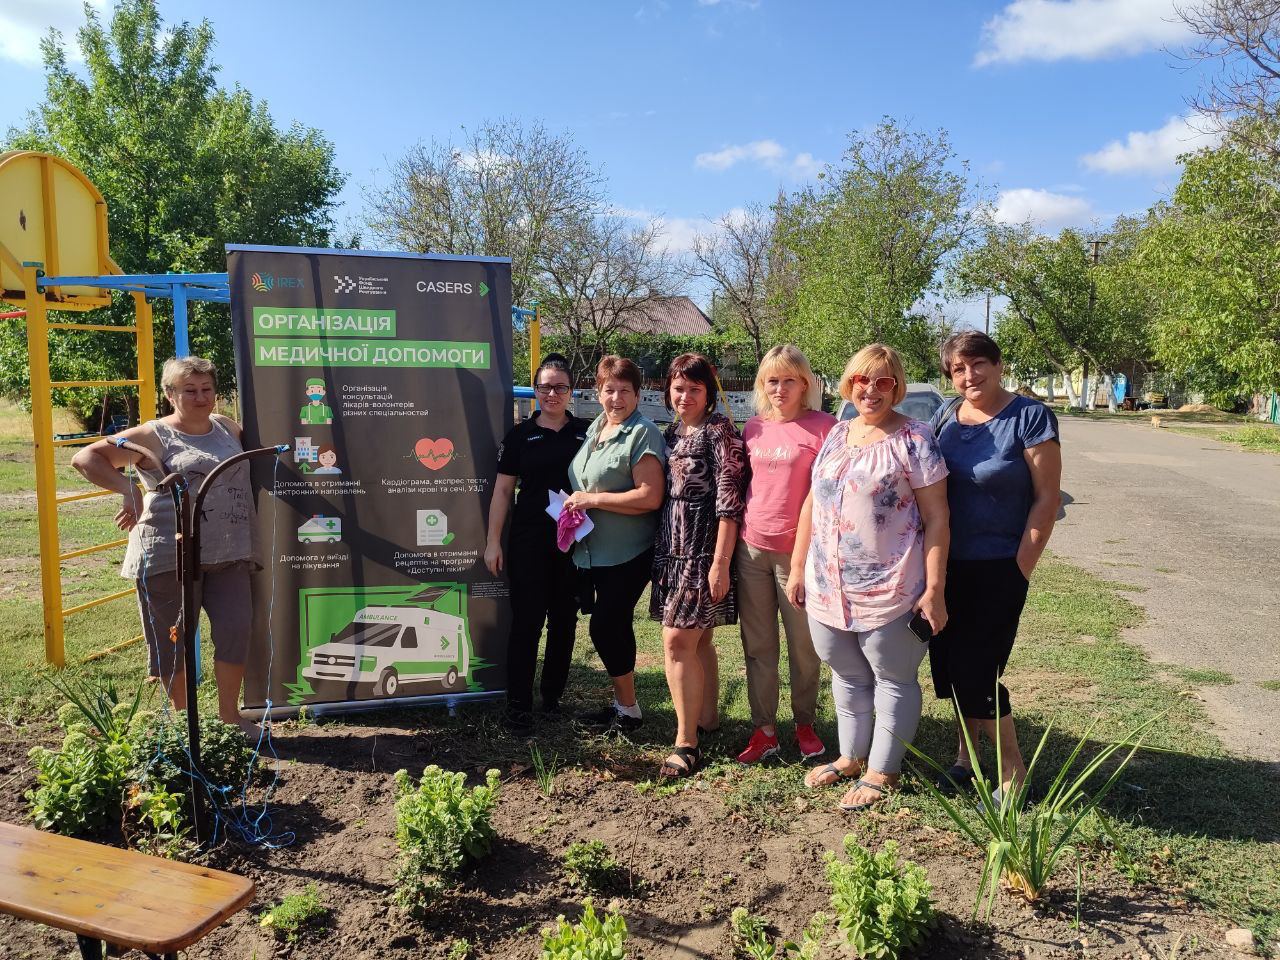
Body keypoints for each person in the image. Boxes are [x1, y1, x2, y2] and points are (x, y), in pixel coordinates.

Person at [786, 343, 950, 811]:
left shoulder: (914, 439)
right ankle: (851, 757)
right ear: (849, 384)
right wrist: (798, 567)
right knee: (847, 673)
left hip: (892, 587)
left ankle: (884, 771)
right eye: (862, 380)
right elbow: (812, 504)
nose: (871, 390)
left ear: (896, 386)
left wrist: (934, 590)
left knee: (893, 678)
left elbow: (937, 519)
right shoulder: (837, 435)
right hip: (827, 585)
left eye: (883, 381)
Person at [71, 356, 258, 731]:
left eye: (206, 389)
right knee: (174, 641)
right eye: (190, 390)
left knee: (236, 630)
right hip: (168, 554)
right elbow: (85, 458)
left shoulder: (226, 428)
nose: (201, 397)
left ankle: (230, 717)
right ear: (170, 393)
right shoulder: (154, 435)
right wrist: (128, 489)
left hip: (230, 551)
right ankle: (185, 725)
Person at [927, 330, 1061, 798]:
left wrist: (1020, 567)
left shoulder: (1030, 417)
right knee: (947, 665)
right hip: (945, 565)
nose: (969, 375)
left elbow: (1046, 499)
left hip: (999, 565)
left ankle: (1013, 772)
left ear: (998, 364)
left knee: (979, 668)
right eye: (958, 369)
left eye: (978, 364)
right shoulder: (946, 414)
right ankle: (967, 759)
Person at [735, 345, 836, 765]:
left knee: (804, 648)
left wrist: (804, 559)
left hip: (799, 557)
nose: (779, 388)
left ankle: (804, 724)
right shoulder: (752, 428)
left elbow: (827, 496)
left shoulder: (826, 428)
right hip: (751, 550)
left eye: (788, 380)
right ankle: (764, 730)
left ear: (805, 384)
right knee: (758, 648)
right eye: (771, 380)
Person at [650, 354, 747, 778]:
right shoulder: (670, 432)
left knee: (676, 643)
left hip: (703, 552)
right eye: (678, 387)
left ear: (708, 392)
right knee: (698, 641)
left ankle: (686, 742)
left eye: (694, 388)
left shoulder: (719, 431)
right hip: (670, 551)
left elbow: (730, 504)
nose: (685, 395)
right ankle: (707, 718)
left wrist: (720, 563)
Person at [485, 354, 590, 731]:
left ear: (571, 390)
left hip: (574, 545)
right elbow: (501, 492)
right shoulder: (518, 436)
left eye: (560, 386)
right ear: (535, 390)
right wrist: (493, 542)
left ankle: (552, 698)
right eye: (544, 387)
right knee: (527, 624)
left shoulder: (587, 432)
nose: (552, 394)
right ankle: (518, 705)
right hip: (529, 542)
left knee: (564, 623)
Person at [563, 356, 666, 734]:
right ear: (598, 391)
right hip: (592, 551)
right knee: (611, 626)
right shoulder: (596, 427)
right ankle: (623, 707)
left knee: (607, 627)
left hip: (628, 552)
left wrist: (591, 501)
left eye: (625, 390)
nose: (616, 398)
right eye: (610, 390)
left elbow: (650, 496)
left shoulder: (643, 433)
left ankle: (629, 711)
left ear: (638, 395)